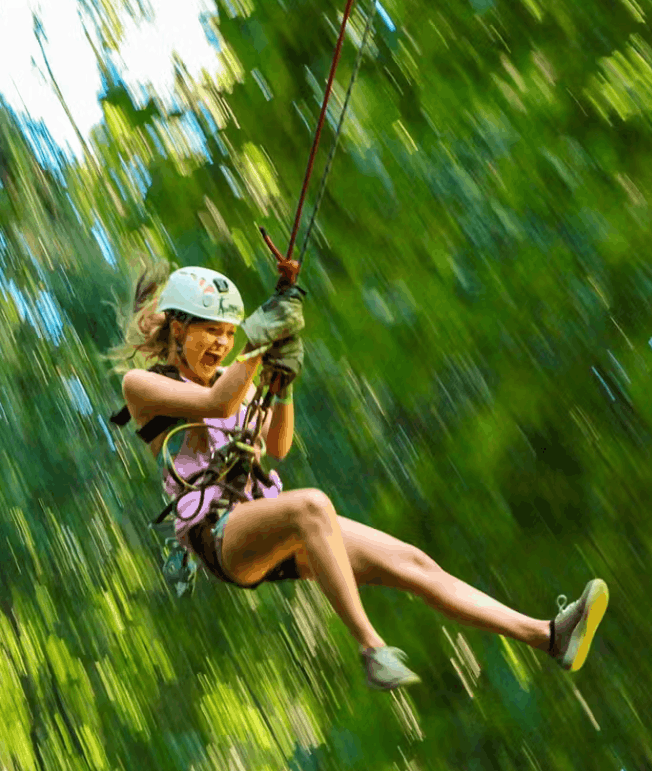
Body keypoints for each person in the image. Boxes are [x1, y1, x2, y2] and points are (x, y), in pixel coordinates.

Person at [112, 263, 609, 691]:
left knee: (413, 562)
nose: (222, 344)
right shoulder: (145, 385)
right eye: (210, 331)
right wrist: (258, 347)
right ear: (177, 329)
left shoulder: (231, 378)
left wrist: (282, 387)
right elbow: (215, 405)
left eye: (228, 332)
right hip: (219, 535)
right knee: (313, 506)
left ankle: (549, 636)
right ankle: (372, 649)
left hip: (267, 523)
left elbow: (278, 445)